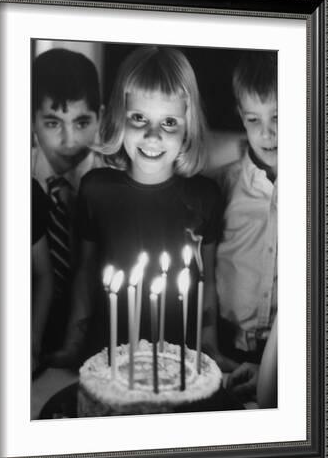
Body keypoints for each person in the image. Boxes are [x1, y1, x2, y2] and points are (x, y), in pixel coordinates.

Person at [49, 46, 233, 370]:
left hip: (178, 358)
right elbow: (86, 273)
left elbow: (209, 282)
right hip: (105, 353)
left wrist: (211, 348)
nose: (152, 135)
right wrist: (72, 344)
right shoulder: (96, 189)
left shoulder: (206, 196)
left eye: (169, 122)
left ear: (188, 127)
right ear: (120, 117)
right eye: (139, 118)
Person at [31, 48, 103, 375]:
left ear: (100, 118)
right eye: (52, 123)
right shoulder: (10, 178)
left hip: (97, 344)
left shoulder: (113, 183)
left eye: (82, 121)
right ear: (32, 121)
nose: (69, 139)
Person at [215, 51, 278, 393]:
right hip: (226, 345)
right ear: (241, 116)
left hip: (285, 352)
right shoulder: (225, 183)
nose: (267, 133)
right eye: (254, 120)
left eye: (278, 116)